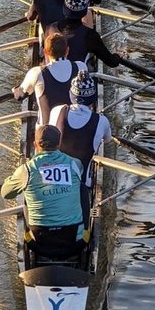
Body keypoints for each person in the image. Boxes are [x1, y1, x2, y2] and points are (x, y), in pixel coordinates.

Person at [0, 124, 86, 260]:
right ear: (59, 143)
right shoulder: (76, 164)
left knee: (26, 194)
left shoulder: (26, 170)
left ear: (35, 144)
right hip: (75, 242)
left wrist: (12, 179)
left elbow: (5, 194)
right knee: (82, 189)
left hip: (39, 244)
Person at [49, 70, 111, 225]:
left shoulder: (57, 111)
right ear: (92, 99)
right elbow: (108, 140)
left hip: (54, 184)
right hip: (82, 186)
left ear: (71, 95)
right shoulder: (102, 121)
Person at [12, 32, 88, 125]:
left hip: (47, 134)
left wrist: (15, 90)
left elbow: (19, 95)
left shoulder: (37, 73)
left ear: (45, 52)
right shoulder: (81, 67)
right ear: (67, 50)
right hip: (75, 129)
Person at [46, 0, 123, 68]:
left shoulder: (50, 27)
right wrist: (118, 56)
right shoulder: (90, 35)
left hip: (52, 72)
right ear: (85, 11)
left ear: (64, 9)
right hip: (76, 76)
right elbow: (111, 62)